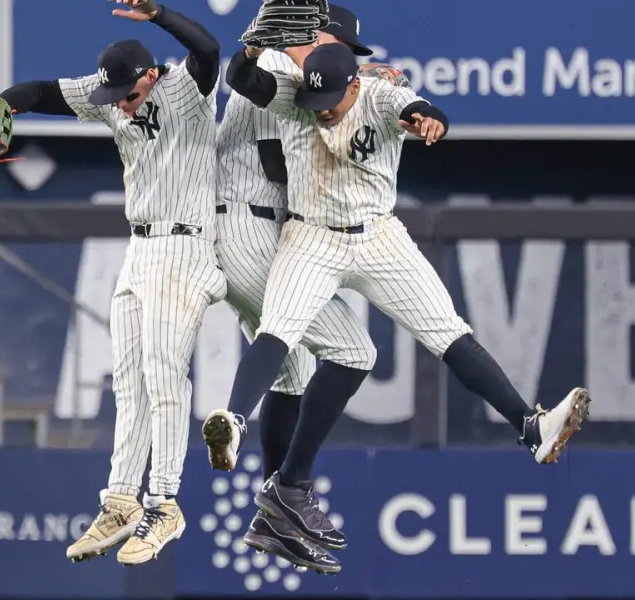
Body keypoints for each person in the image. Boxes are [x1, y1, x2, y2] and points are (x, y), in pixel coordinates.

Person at [219, 39, 592, 555]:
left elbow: (419, 110)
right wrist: (250, 51)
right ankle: (233, 422)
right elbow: (242, 80)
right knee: (278, 331)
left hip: (377, 236)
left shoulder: (380, 94)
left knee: (450, 332)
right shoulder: (297, 96)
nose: (322, 111)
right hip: (311, 237)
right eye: (315, 102)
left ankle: (531, 428)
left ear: (355, 83)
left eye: (332, 100)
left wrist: (429, 120)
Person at [0, 0, 224, 565]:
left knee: (164, 372)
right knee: (128, 381)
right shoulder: (112, 98)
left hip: (187, 242)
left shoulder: (185, 91)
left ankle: (164, 502)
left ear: (149, 76)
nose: (118, 104)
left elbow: (210, 49)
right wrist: (3, 102)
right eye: (111, 95)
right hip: (140, 247)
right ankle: (122, 499)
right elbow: (46, 92)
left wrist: (161, 15)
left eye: (126, 93)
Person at [208, 5, 399, 574]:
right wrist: (365, 95)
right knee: (354, 350)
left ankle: (275, 516)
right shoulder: (272, 63)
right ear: (317, 39)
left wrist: (360, 86)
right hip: (249, 224)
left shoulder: (288, 70)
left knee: (291, 371)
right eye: (338, 49)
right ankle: (285, 485)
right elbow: (296, 136)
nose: (344, 63)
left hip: (254, 223)